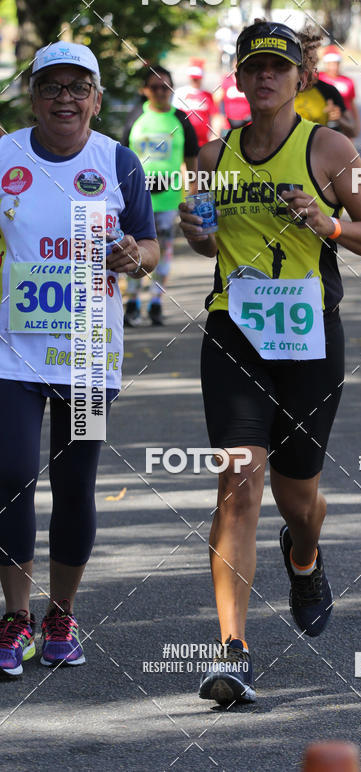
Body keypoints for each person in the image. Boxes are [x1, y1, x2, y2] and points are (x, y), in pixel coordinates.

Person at [179, 19, 361, 706]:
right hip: (234, 335)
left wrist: (328, 223)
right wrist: (196, 231)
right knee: (239, 482)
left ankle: (304, 557)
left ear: (300, 79)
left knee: (298, 497)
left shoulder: (330, 149)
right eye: (255, 68)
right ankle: (231, 650)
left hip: (308, 342)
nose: (267, 77)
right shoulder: (213, 159)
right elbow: (205, 244)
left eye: (280, 67)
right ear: (238, 80)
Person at [0, 42, 158, 677]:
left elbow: (147, 245)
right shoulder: (4, 155)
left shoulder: (118, 161)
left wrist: (134, 257)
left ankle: (60, 612)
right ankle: (14, 617)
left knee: (75, 486)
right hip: (12, 349)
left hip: (90, 351)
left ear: (96, 98)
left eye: (78, 87)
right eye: (51, 87)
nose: (64, 97)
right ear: (32, 97)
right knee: (10, 477)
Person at [122, 65, 198, 326]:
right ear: (145, 91)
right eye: (154, 87)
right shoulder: (135, 117)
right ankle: (131, 302)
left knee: (163, 252)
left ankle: (155, 302)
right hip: (136, 200)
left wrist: (193, 194)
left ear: (172, 89)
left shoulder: (182, 119)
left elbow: (192, 161)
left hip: (168, 199)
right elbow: (121, 159)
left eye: (165, 86)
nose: (160, 92)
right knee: (131, 250)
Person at [294, 64, 356, 138]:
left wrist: (338, 119)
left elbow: (352, 130)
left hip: (319, 145)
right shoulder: (286, 89)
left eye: (312, 61)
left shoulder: (328, 90)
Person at [172, 58, 224, 147]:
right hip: (183, 139)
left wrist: (215, 135)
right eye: (193, 78)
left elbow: (215, 116)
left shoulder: (207, 95)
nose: (195, 80)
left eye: (197, 78)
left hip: (203, 141)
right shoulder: (180, 93)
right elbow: (173, 115)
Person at [318, 44, 361, 137]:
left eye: (336, 63)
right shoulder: (318, 78)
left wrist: (357, 124)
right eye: (330, 63)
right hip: (324, 120)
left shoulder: (348, 81)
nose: (333, 67)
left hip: (344, 119)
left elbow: (352, 104)